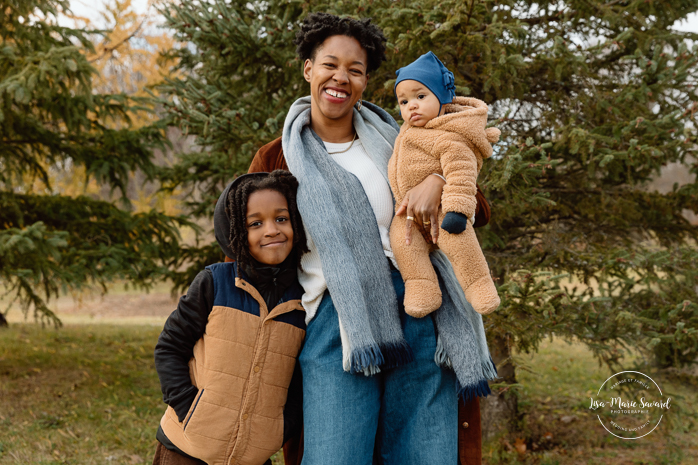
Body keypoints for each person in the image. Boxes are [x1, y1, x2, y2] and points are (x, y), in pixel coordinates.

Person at [248, 13, 492, 465]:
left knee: (425, 455)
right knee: (335, 455)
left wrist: (438, 178)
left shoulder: (402, 139)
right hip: (337, 323)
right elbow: (249, 243)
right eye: (329, 64)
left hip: (422, 309)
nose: (341, 77)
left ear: (364, 81)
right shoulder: (277, 157)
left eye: (355, 69)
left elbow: (472, 199)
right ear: (309, 69)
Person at [151, 170, 310, 465]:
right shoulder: (215, 283)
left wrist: (278, 430)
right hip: (186, 449)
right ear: (236, 230)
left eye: (281, 219)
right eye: (255, 223)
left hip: (253, 456)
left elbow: (301, 379)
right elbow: (170, 348)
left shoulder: (304, 299)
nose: (272, 230)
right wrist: (190, 410)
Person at [389, 51, 501, 317]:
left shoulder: (449, 137)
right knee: (402, 244)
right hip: (409, 216)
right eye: (403, 101)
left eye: (420, 96)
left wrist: (457, 211)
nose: (411, 106)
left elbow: (462, 174)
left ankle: (479, 285)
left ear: (442, 97)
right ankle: (421, 286)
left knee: (461, 244)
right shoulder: (407, 133)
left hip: (443, 211)